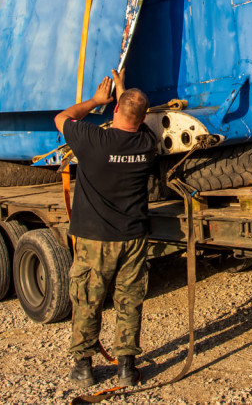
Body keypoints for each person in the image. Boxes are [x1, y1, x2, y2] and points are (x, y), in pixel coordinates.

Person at [54, 70, 156, 388]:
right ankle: (126, 368)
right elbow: (140, 119)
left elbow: (63, 118)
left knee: (87, 299)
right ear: (140, 119)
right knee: (129, 301)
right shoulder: (147, 144)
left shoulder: (92, 140)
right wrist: (126, 93)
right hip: (133, 239)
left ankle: (84, 368)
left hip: (94, 238)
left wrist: (97, 100)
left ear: (114, 112)